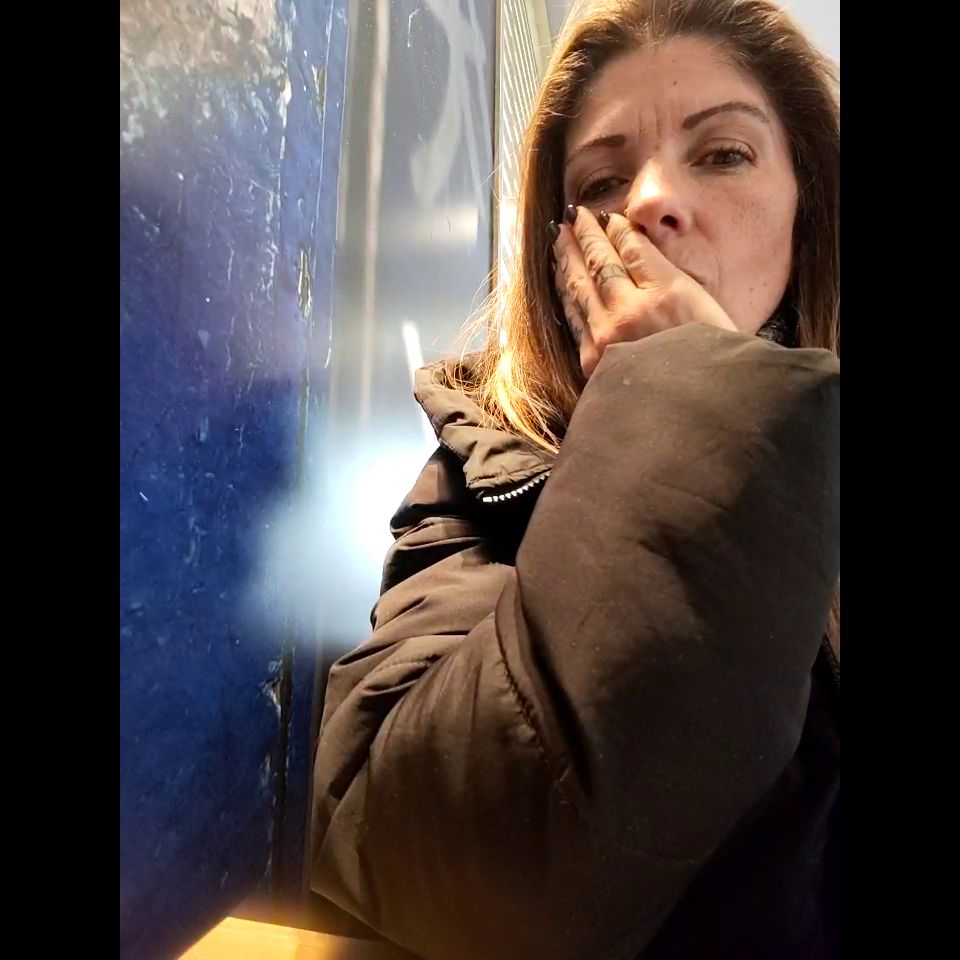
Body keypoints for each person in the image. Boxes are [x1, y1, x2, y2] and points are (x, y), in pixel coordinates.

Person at [310, 1, 840, 957]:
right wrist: (685, 388)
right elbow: (411, 847)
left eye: (724, 155)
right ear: (559, 247)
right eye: (602, 180)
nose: (650, 201)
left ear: (807, 216)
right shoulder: (482, 467)